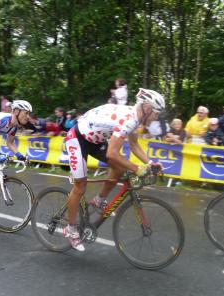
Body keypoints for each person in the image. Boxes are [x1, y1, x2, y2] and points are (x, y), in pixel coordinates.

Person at [64, 88, 165, 251]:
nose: (156, 117)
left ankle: (99, 201)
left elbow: (134, 146)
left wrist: (151, 163)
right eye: (156, 113)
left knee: (119, 168)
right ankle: (71, 229)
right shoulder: (129, 119)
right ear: (147, 108)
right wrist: (138, 169)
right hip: (78, 138)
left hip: (95, 140)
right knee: (80, 186)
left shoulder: (136, 117)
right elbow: (112, 154)